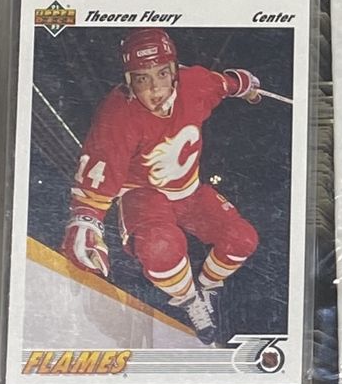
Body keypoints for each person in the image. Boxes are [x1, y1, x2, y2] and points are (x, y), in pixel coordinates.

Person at [62, 29, 266, 346]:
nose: (155, 89)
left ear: (175, 71)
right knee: (160, 248)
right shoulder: (117, 114)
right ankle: (189, 299)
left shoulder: (195, 83)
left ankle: (205, 289)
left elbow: (226, 84)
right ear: (129, 82)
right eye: (142, 79)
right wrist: (86, 218)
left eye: (161, 74)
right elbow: (101, 168)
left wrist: (245, 86)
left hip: (190, 191)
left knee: (242, 239)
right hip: (145, 195)